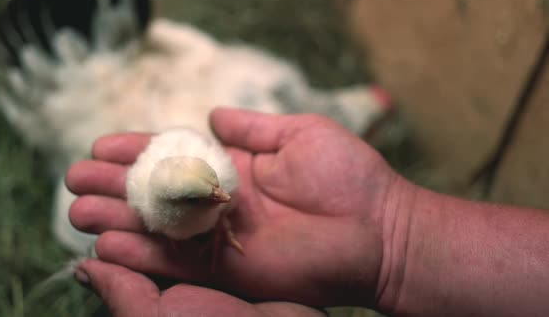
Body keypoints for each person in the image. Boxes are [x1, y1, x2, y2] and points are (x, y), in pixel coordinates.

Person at [65, 108, 549, 317]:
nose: (222, 195)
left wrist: (219, 216)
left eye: (217, 191)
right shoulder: (149, 202)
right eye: (205, 198)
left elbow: (214, 189)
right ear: (171, 204)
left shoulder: (215, 177)